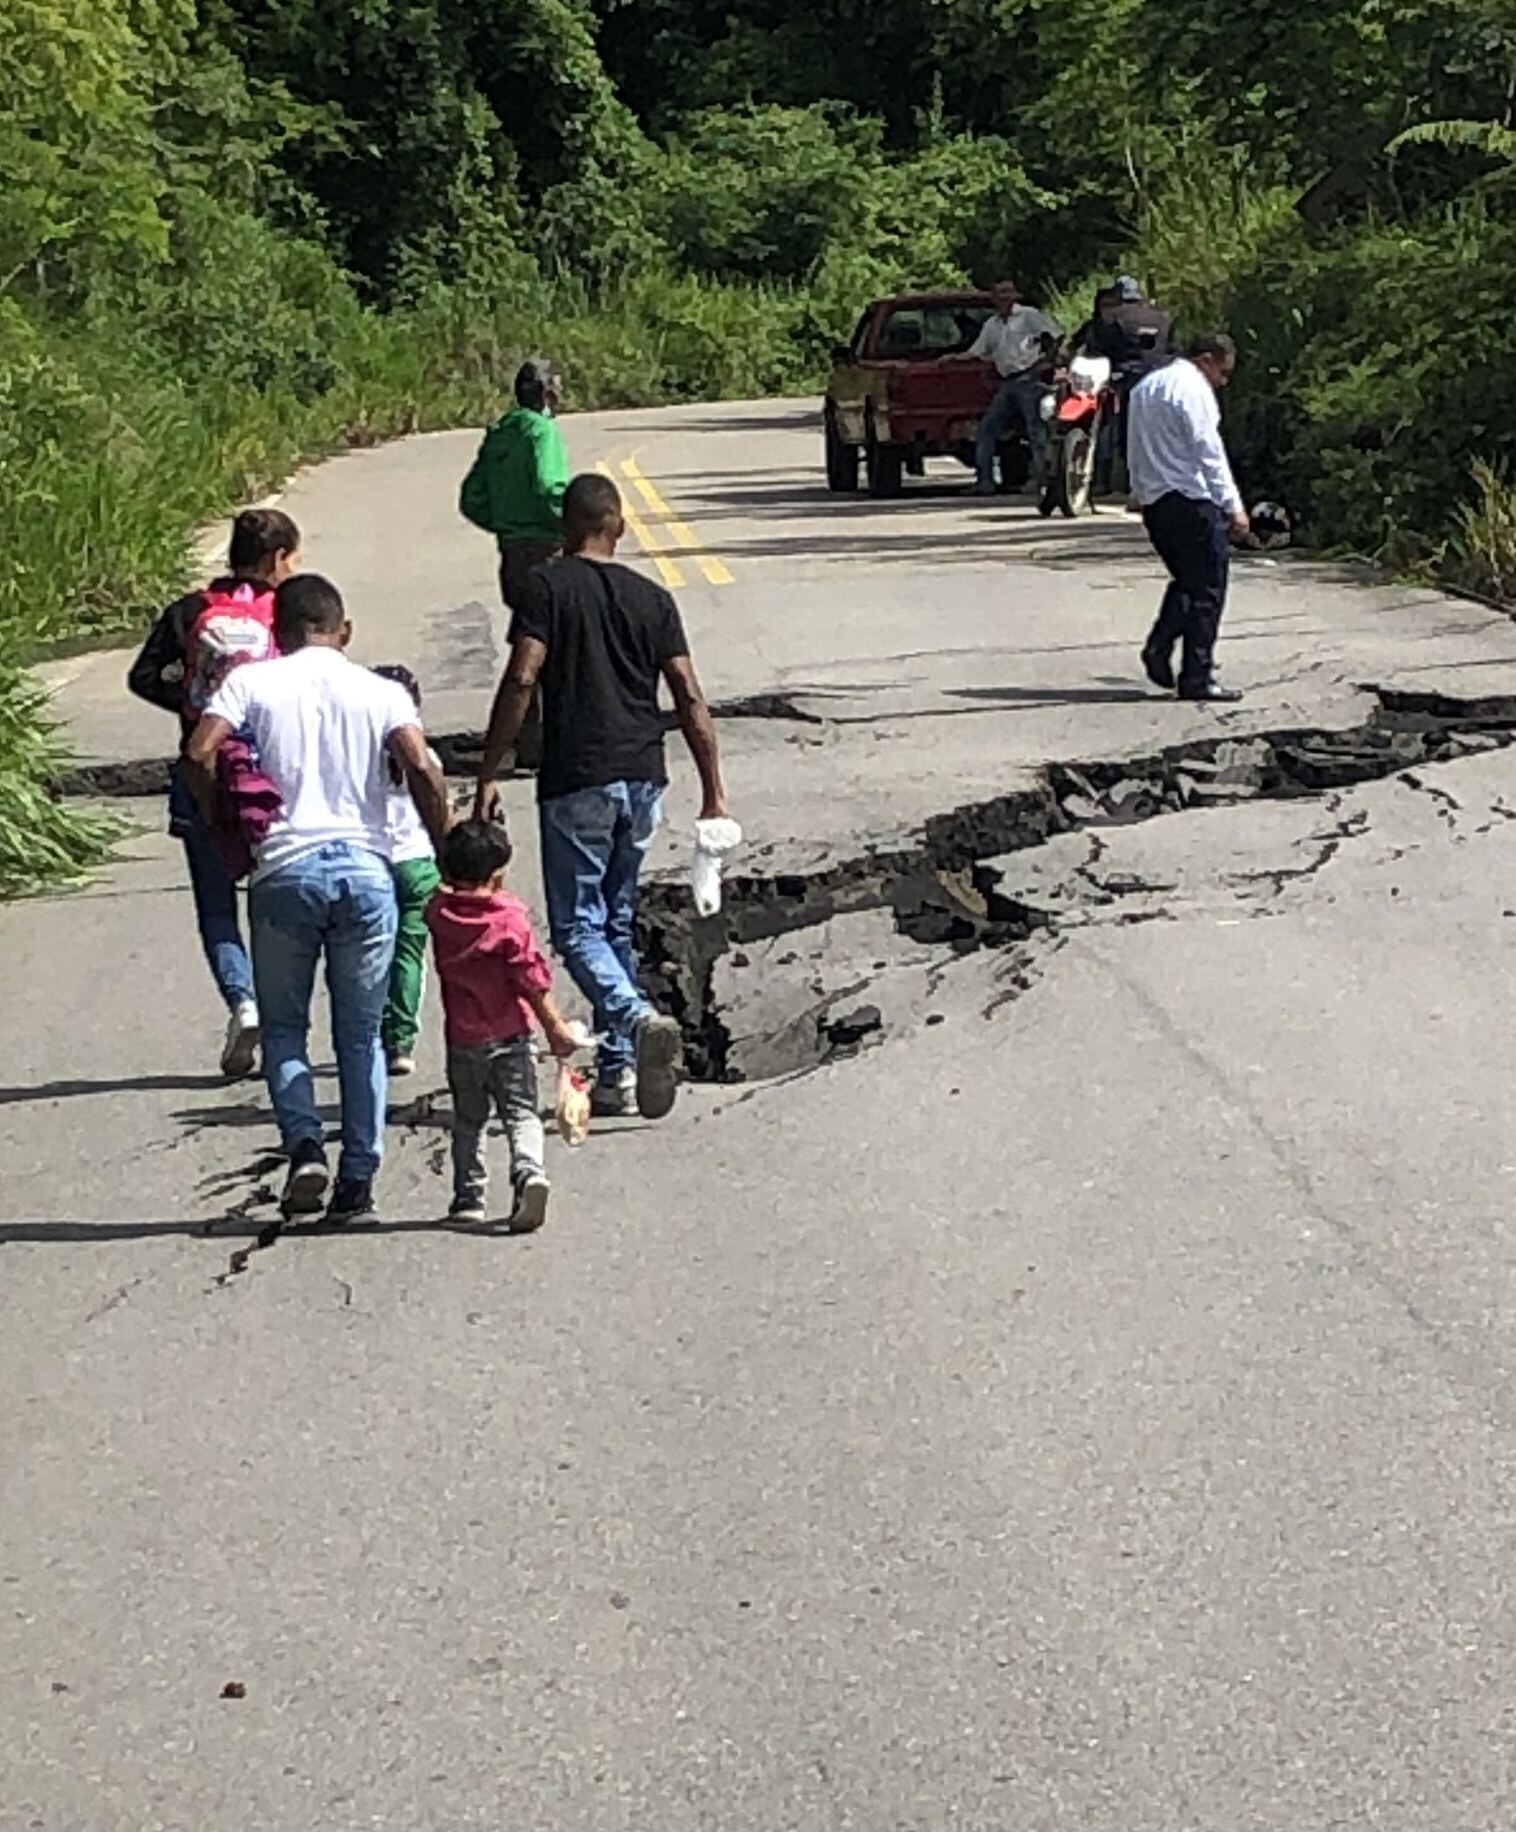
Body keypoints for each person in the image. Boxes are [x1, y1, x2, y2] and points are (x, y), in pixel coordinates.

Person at [184, 575, 450, 1223]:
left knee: (284, 1027)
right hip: (366, 873)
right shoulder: (382, 691)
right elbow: (421, 766)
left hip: (284, 870)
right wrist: (448, 850)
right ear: (345, 630)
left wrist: (224, 818)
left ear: (277, 634)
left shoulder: (250, 682)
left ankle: (305, 1147)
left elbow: (199, 751)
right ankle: (358, 1179)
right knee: (359, 1035)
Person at [472, 472, 728, 1121]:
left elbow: (524, 674)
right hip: (644, 776)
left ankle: (636, 1022)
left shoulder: (547, 588)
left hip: (578, 776)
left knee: (577, 926)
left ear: (568, 527)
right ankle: (614, 1075)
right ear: (619, 526)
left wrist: (490, 770)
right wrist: (714, 793)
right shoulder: (652, 597)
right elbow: (689, 696)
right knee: (612, 921)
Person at [128, 507, 301, 1079]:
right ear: (278, 559)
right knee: (280, 897)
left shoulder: (190, 611)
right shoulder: (288, 612)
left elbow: (143, 676)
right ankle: (283, 1014)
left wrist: (191, 705)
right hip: (272, 775)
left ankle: (243, 1001)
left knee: (217, 906)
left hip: (202, 769)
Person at [426, 820, 579, 1231]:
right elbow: (530, 980)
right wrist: (556, 1028)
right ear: (498, 875)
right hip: (510, 1034)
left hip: (462, 1039)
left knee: (469, 1118)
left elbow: (438, 895)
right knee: (522, 1112)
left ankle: (467, 1197)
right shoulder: (509, 919)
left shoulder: (438, 914)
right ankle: (528, 1173)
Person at [1127, 332, 1252, 704]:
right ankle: (1197, 674)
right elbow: (1208, 451)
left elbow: (1132, 444)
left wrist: (1139, 490)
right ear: (1207, 359)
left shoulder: (1146, 387)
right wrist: (1233, 505)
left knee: (1187, 580)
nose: (1223, 381)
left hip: (1156, 501)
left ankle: (1159, 645)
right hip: (1191, 500)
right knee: (1208, 589)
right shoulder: (1192, 389)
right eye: (1223, 372)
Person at [459, 357, 568, 771]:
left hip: (512, 552)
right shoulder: (542, 430)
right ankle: (556, 741)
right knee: (556, 649)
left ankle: (530, 741)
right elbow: (548, 485)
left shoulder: (500, 431)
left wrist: (505, 522)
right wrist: (571, 520)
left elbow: (472, 497)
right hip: (546, 549)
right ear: (546, 393)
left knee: (529, 642)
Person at [371, 665, 443, 1078]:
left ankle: (373, 1029)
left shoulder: (359, 755)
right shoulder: (426, 757)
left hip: (375, 860)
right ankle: (401, 1039)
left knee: (369, 952)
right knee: (409, 955)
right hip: (417, 861)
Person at [962, 280, 1060, 493]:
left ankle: (1041, 480)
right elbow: (977, 352)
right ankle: (985, 481)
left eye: (1008, 292)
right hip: (1007, 382)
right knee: (987, 429)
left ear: (1016, 295)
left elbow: (1054, 338)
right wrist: (951, 359)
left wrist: (1044, 364)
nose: (1004, 297)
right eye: (999, 293)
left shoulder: (1029, 315)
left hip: (1031, 380)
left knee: (1036, 430)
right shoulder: (992, 324)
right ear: (993, 298)